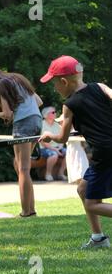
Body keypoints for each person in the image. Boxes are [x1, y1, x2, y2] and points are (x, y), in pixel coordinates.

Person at [39, 55, 112, 249]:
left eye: (55, 84)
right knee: (83, 189)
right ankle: (98, 238)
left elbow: (62, 138)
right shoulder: (100, 86)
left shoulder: (69, 104)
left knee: (92, 204)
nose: (55, 88)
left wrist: (48, 135)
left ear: (64, 82)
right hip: (107, 150)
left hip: (103, 153)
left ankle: (99, 238)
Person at [0, 65, 43, 218]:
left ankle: (27, 212)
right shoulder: (17, 78)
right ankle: (30, 208)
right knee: (19, 165)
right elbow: (38, 102)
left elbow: (8, 114)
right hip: (37, 121)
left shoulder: (1, 85)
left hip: (23, 124)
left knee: (23, 169)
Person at [55, 115, 89, 184]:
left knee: (81, 168)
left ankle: (82, 184)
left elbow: (83, 138)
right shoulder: (64, 130)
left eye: (62, 122)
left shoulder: (76, 129)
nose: (60, 123)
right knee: (74, 168)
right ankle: (79, 184)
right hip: (71, 151)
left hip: (78, 151)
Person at [39, 106, 67, 181]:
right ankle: (48, 174)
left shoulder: (57, 125)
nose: (55, 113)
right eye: (53, 112)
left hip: (57, 148)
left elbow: (61, 138)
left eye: (55, 112)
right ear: (46, 114)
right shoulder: (41, 124)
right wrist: (55, 150)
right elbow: (43, 142)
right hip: (45, 148)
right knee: (54, 155)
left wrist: (60, 147)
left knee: (68, 153)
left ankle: (61, 173)